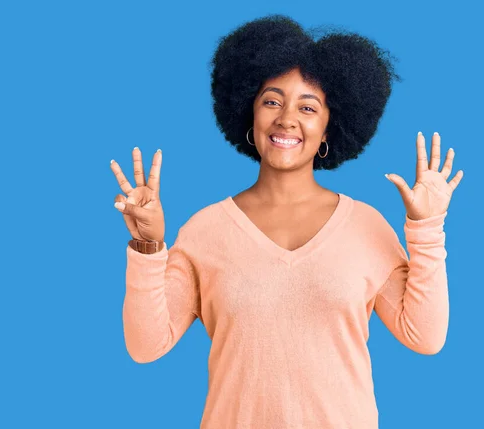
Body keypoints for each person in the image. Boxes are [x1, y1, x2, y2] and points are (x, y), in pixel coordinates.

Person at [110, 14, 463, 429]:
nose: (287, 118)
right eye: (272, 101)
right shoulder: (205, 231)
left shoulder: (365, 227)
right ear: (249, 113)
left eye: (308, 107)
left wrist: (427, 229)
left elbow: (424, 336)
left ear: (330, 126)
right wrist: (149, 246)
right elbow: (145, 346)